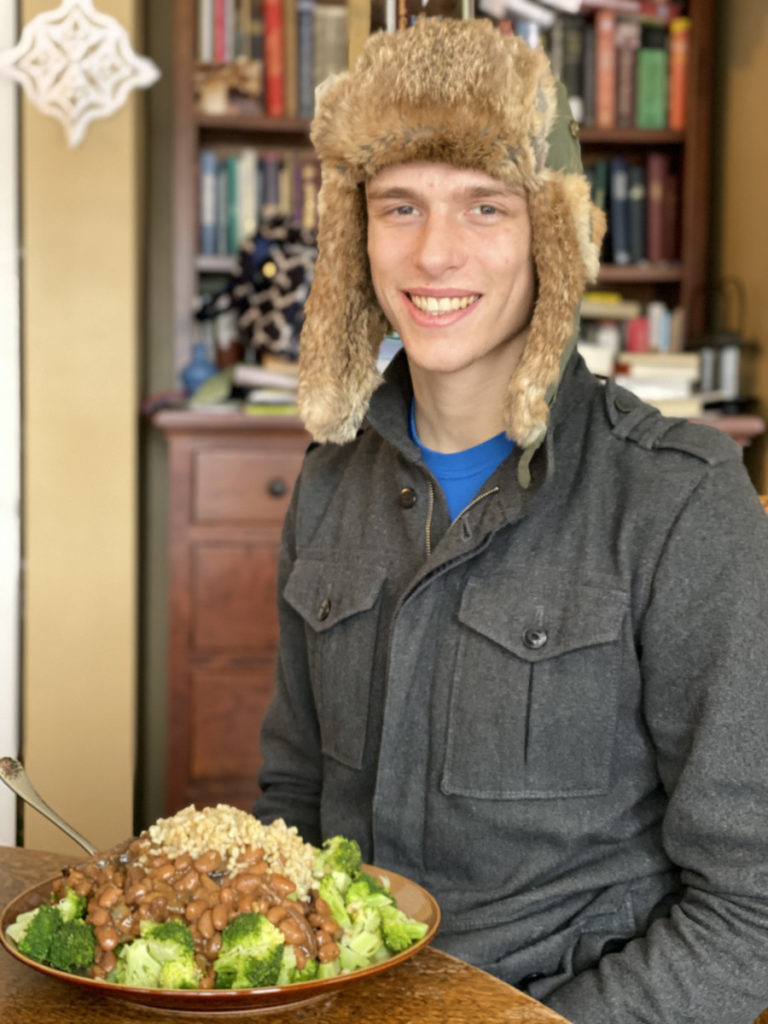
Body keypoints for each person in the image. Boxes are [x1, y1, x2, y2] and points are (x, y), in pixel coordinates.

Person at [252, 17, 768, 1023]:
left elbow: (752, 907)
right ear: (357, 234)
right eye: (399, 205)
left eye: (484, 206)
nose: (434, 252)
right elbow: (292, 802)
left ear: (554, 235)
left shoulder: (681, 500)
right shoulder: (324, 487)